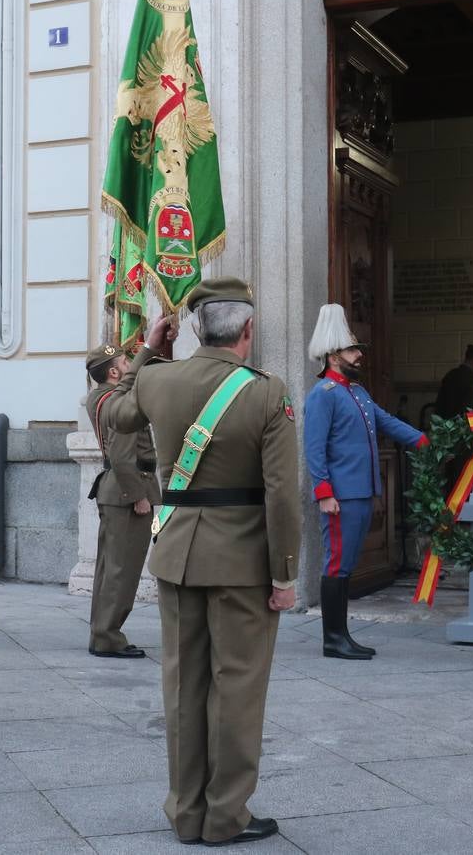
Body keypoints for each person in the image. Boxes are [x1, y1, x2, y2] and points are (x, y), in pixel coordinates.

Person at [103, 277, 299, 847]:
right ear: (248, 329)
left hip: (177, 553)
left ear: (192, 327)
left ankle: (185, 813)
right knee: (235, 688)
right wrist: (284, 573)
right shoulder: (265, 391)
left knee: (182, 686)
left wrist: (147, 353)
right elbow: (282, 494)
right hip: (241, 561)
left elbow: (114, 411)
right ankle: (225, 817)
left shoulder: (160, 380)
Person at [303, 304, 426, 660]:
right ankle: (333, 639)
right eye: (352, 350)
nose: (359, 356)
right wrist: (324, 492)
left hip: (362, 491)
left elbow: (387, 422)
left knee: (347, 564)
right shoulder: (323, 395)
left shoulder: (357, 393)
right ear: (333, 355)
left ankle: (342, 634)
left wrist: (424, 441)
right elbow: (314, 449)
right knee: (337, 563)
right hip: (341, 495)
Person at [83, 343, 160, 658]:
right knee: (122, 569)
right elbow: (121, 453)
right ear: (114, 372)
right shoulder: (118, 401)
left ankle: (102, 631)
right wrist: (138, 496)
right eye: (126, 360)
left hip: (116, 488)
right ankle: (108, 636)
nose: (131, 363)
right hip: (127, 490)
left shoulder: (98, 397)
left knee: (110, 567)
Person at [434, 344, 473, 419]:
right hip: (459, 425)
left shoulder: (451, 374)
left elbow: (440, 402)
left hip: (442, 422)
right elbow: (468, 407)